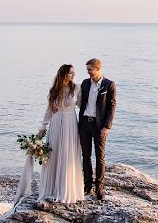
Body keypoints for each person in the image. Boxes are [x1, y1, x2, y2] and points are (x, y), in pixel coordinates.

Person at [36, 64, 84, 203]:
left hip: (70, 123)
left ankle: (67, 189)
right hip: (56, 123)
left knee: (68, 154)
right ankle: (52, 188)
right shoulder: (54, 90)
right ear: (63, 74)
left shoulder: (77, 88)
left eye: (74, 73)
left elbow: (82, 106)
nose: (73, 75)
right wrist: (43, 127)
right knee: (54, 153)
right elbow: (49, 110)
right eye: (70, 73)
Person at [79, 58, 117, 200]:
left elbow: (112, 107)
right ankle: (87, 186)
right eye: (87, 70)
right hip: (84, 124)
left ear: (98, 69)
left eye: (90, 70)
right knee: (86, 156)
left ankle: (99, 188)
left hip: (99, 126)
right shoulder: (85, 83)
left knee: (100, 157)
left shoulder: (109, 85)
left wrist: (107, 127)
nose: (88, 73)